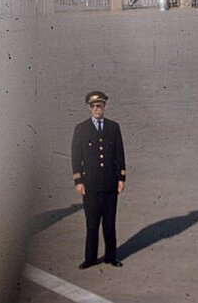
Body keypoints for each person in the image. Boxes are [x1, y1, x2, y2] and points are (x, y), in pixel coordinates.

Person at [71, 90, 127, 269]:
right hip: (91, 186)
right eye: (94, 106)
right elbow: (75, 156)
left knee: (110, 224)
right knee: (92, 224)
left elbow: (120, 154)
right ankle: (90, 258)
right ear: (89, 108)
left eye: (100, 106)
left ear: (104, 107)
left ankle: (111, 257)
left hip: (110, 184)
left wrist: (121, 178)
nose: (97, 109)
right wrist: (78, 181)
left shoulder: (113, 127)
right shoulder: (81, 129)